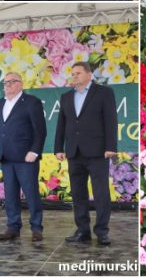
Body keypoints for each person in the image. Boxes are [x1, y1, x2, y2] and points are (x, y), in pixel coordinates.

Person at [54, 62, 117, 246]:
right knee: (78, 194)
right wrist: (58, 147)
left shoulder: (104, 93)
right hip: (74, 152)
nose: (74, 77)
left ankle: (102, 232)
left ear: (89, 74)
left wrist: (111, 146)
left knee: (101, 193)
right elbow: (61, 125)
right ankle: (82, 231)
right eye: (72, 74)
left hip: (98, 152)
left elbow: (111, 120)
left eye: (78, 73)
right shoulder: (66, 96)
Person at [0, 72, 46, 242]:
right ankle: (13, 226)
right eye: (5, 82)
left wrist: (35, 151)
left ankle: (36, 228)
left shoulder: (31, 102)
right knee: (10, 195)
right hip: (6, 158)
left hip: (26, 158)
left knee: (31, 193)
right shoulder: (0, 103)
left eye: (12, 82)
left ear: (21, 84)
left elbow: (40, 130)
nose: (7, 85)